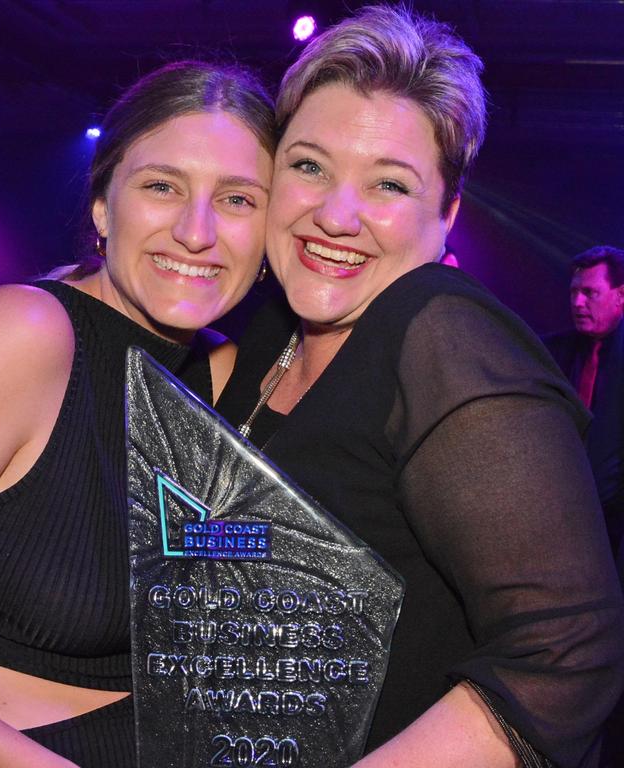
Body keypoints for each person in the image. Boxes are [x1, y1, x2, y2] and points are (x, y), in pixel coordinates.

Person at [216, 6, 624, 767]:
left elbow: (572, 650)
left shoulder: (441, 334)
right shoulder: (270, 333)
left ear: (448, 216)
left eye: (389, 185)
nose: (335, 215)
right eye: (308, 166)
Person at [0, 60, 274, 767]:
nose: (196, 231)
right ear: (103, 207)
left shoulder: (221, 372)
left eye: (237, 200)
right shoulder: (25, 336)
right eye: (162, 187)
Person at [544, 246, 624, 566]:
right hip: (560, 512)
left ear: (621, 296)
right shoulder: (557, 351)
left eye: (590, 293)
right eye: (574, 292)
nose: (578, 303)